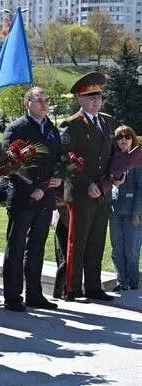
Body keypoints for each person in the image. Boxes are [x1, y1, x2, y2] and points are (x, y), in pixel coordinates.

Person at [2, 87, 62, 312]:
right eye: (39, 100)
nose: (45, 104)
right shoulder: (16, 128)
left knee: (36, 248)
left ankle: (34, 295)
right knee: (16, 247)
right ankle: (12, 296)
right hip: (23, 199)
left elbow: (59, 158)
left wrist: (58, 178)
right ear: (27, 103)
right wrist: (31, 189)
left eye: (47, 100)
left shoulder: (51, 129)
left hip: (46, 198)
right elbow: (9, 164)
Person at [60, 72, 115, 302]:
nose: (96, 101)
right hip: (81, 193)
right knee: (78, 240)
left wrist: (115, 176)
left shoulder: (107, 121)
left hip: (102, 191)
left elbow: (110, 155)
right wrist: (87, 184)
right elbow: (66, 160)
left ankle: (93, 286)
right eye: (90, 97)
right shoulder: (72, 125)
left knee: (97, 239)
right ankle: (72, 289)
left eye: (98, 96)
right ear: (80, 99)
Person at [109, 125, 141, 291]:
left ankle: (134, 283)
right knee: (117, 249)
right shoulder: (113, 158)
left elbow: (140, 189)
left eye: (127, 136)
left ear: (132, 139)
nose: (123, 139)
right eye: (119, 136)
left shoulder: (138, 159)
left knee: (131, 250)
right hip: (114, 211)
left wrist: (137, 213)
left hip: (132, 213)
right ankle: (121, 282)